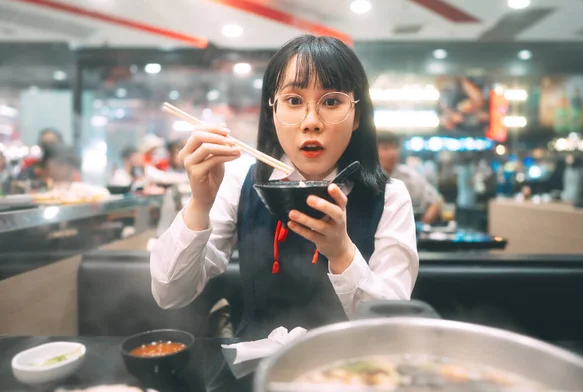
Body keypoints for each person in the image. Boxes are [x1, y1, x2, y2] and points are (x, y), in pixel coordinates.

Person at [150, 35, 419, 339]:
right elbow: (169, 293)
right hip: (255, 369)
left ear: (357, 116)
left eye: (331, 101)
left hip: (347, 371)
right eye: (293, 101)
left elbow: (392, 327)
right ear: (273, 110)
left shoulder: (390, 197)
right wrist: (199, 204)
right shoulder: (239, 180)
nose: (311, 121)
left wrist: (341, 253)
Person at [376, 131, 443, 224]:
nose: (392, 153)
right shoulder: (367, 177)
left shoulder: (410, 176)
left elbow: (436, 201)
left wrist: (422, 224)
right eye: (385, 148)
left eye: (395, 147)